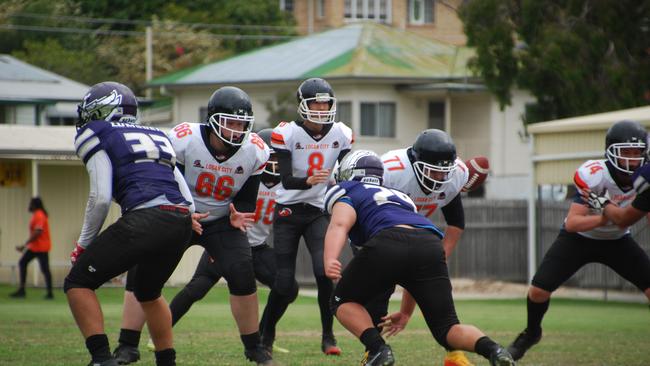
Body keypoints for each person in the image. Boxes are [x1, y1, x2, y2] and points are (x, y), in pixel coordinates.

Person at [111, 87, 274, 366]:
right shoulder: (184, 139)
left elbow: (247, 196)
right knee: (143, 270)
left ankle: (254, 347)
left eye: (241, 124)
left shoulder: (255, 151)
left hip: (221, 220)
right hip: (176, 213)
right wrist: (183, 212)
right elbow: (163, 179)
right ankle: (127, 344)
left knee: (241, 272)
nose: (236, 131)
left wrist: (240, 214)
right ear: (213, 120)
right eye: (230, 122)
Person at [323, 150, 515, 366]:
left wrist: (330, 258)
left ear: (347, 173)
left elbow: (340, 223)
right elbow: (412, 269)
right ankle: (495, 350)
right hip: (429, 242)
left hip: (387, 241)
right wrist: (405, 312)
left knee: (342, 301)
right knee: (447, 327)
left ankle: (378, 349)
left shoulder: (348, 189)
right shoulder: (401, 197)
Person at [64, 81, 195, 366]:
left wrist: (83, 244)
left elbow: (99, 197)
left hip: (146, 218)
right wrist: (185, 218)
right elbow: (186, 196)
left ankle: (101, 359)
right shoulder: (156, 133)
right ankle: (167, 361)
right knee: (149, 292)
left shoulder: (96, 131)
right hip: (181, 220)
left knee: (77, 282)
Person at [506, 120, 650, 361]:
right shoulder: (594, 174)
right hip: (580, 239)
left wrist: (611, 217)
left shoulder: (644, 179)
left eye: (637, 153)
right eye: (626, 152)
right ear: (611, 151)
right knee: (538, 291)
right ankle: (531, 333)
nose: (632, 160)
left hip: (618, 241)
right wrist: (604, 220)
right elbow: (573, 223)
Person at [266, 77, 353, 355]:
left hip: (318, 211)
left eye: (325, 102)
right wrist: (309, 181)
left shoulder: (341, 133)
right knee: (283, 282)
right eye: (315, 102)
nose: (320, 107)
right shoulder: (287, 133)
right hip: (288, 211)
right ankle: (265, 335)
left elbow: (346, 174)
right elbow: (286, 180)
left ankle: (329, 337)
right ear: (303, 105)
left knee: (324, 272)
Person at [377, 129, 472, 366]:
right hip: (379, 233)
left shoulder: (456, 174)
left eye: (444, 172)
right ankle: (374, 350)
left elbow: (456, 222)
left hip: (417, 236)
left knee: (439, 294)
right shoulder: (390, 170)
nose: (439, 179)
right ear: (415, 162)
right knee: (376, 295)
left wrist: (442, 253)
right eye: (433, 171)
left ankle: (455, 354)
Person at [10, 197, 54, 299]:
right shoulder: (38, 214)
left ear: (34, 205)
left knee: (44, 269)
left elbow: (38, 232)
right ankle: (23, 290)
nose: (29, 206)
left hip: (41, 247)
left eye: (30, 204)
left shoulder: (39, 215)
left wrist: (24, 245)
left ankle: (49, 293)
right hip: (36, 247)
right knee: (24, 263)